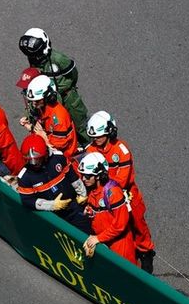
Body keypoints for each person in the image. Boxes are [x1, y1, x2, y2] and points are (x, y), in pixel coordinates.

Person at [84, 111, 155, 272]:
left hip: (127, 193)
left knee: (138, 222)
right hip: (105, 195)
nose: (96, 139)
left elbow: (122, 180)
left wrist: (104, 183)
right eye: (93, 137)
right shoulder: (91, 150)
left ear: (109, 132)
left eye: (99, 136)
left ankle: (146, 251)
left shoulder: (121, 151)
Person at [18, 27, 90, 145]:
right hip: (49, 100)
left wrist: (62, 89)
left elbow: (73, 75)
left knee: (80, 127)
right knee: (55, 129)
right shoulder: (33, 58)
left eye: (37, 54)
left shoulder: (59, 59)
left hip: (68, 98)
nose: (35, 58)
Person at [16, 135, 91, 232]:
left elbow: (72, 176)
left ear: (45, 154)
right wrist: (52, 205)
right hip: (53, 216)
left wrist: (82, 194)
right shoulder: (24, 177)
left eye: (37, 160)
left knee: (86, 230)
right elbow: (27, 200)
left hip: (73, 207)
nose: (33, 164)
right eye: (29, 161)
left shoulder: (58, 158)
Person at [77, 152, 137, 264]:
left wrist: (98, 238)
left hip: (119, 244)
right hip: (103, 239)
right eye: (83, 175)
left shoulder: (113, 193)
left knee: (123, 272)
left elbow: (120, 225)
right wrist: (90, 211)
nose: (84, 179)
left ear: (98, 176)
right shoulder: (92, 189)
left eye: (87, 176)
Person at [20, 75, 78, 158]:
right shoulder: (43, 108)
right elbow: (41, 126)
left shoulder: (59, 118)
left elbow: (58, 146)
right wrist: (30, 125)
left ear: (48, 98)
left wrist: (43, 137)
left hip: (64, 157)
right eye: (32, 101)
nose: (34, 104)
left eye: (37, 101)